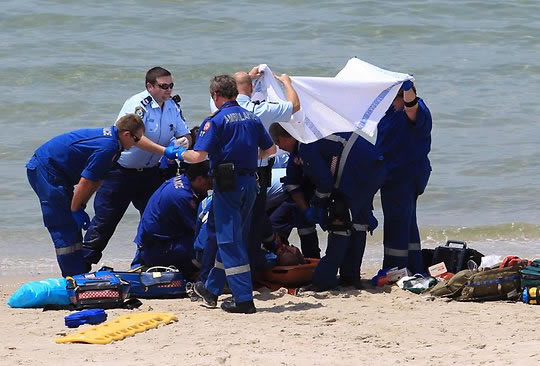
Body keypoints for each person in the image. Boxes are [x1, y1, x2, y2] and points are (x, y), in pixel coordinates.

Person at [173, 74, 276, 314]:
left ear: (215, 95)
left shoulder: (216, 121)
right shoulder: (252, 118)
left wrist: (176, 154)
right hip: (251, 182)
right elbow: (270, 149)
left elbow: (199, 156)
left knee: (230, 241)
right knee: (229, 236)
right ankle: (211, 290)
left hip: (228, 184)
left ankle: (243, 299)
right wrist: (250, 159)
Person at [25, 114, 176, 277]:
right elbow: (85, 182)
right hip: (46, 169)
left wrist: (80, 206)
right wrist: (75, 210)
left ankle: (78, 272)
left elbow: (96, 181)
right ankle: (73, 277)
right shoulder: (108, 147)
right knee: (64, 225)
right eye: (136, 139)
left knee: (72, 226)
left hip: (59, 173)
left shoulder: (116, 147)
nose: (137, 144)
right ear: (126, 134)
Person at [82, 67, 191, 267]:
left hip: (150, 174)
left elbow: (185, 132)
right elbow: (133, 137)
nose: (168, 90)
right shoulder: (138, 105)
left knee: (154, 221)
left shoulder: (172, 107)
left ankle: (143, 265)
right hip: (120, 173)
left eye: (171, 86)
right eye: (163, 86)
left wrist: (184, 141)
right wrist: (164, 151)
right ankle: (80, 268)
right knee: (104, 223)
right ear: (149, 86)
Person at [269, 123, 385, 290]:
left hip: (361, 169)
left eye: (278, 143)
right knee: (357, 221)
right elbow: (293, 182)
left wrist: (318, 205)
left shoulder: (307, 145)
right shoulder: (304, 144)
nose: (280, 148)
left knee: (340, 221)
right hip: (371, 165)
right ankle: (349, 277)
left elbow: (325, 184)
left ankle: (323, 280)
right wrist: (308, 209)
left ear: (284, 138)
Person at [232, 67, 300, 272]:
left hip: (229, 174)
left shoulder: (221, 107)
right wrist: (287, 83)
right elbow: (294, 106)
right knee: (255, 220)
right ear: (251, 89)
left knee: (234, 221)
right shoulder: (261, 109)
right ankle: (252, 268)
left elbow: (235, 87)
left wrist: (248, 79)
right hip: (257, 173)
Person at [375, 80, 432, 274]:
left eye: (394, 97)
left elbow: (411, 107)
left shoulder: (417, 110)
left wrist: (407, 89)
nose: (391, 101)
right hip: (391, 175)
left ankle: (396, 268)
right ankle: (413, 265)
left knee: (397, 221)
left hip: (405, 174)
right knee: (406, 221)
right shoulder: (391, 112)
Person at [134, 161, 212, 277]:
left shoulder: (179, 180)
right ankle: (196, 273)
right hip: (158, 249)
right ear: (200, 179)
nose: (211, 186)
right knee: (210, 241)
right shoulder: (183, 197)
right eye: (210, 182)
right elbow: (198, 229)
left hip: (148, 244)